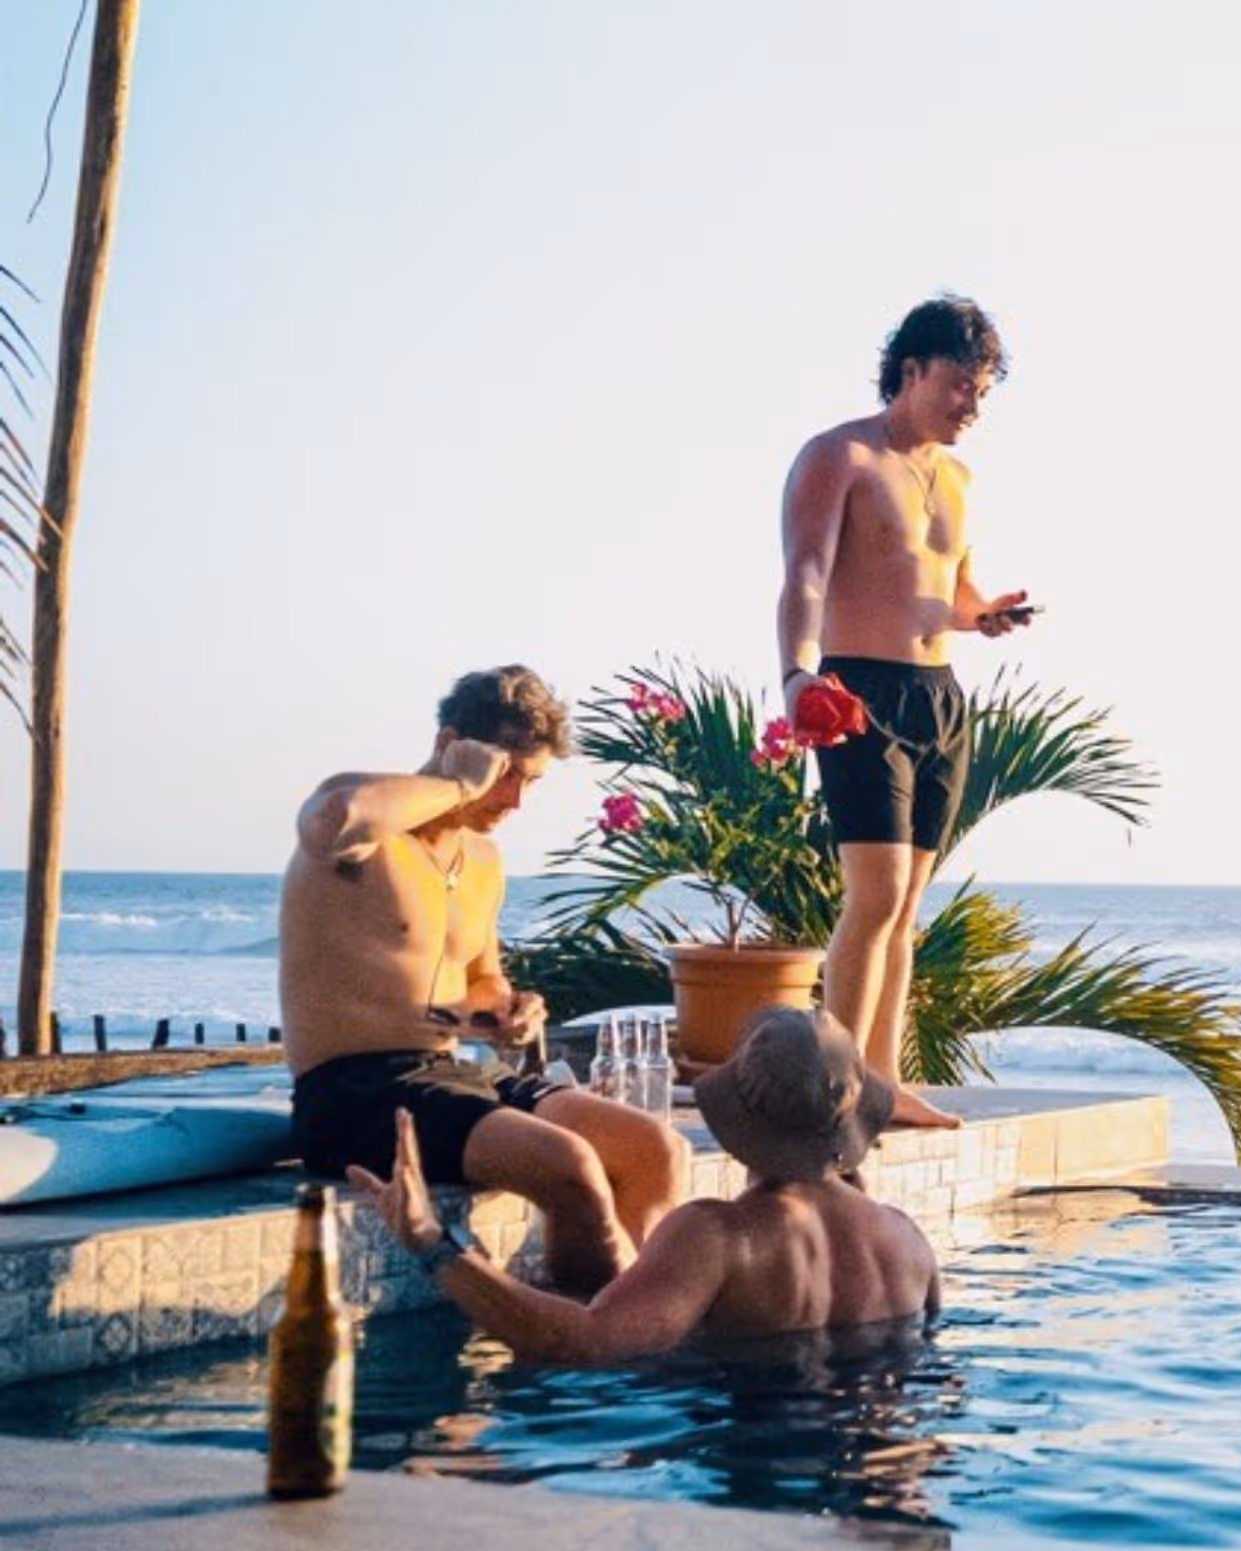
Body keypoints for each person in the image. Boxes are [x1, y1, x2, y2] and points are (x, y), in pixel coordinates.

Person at [280, 666, 689, 1292]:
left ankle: (629, 1338)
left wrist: (511, 1009)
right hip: (352, 1091)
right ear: (453, 743)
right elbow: (331, 818)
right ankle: (579, 1356)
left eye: (531, 783)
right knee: (570, 1165)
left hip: (453, 1075)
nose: (516, 802)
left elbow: (480, 984)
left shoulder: (482, 861)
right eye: (507, 777)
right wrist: (456, 782)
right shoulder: (363, 825)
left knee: (655, 1148)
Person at [777, 295, 1035, 1130]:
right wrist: (796, 676)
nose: (972, 405)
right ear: (912, 369)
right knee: (876, 892)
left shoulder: (957, 479)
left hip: (939, 698)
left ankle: (882, 1082)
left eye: (983, 391)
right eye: (961, 385)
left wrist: (982, 612)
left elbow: (948, 589)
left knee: (907, 906)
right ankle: (836, 1085)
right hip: (857, 692)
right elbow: (806, 574)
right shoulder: (837, 455)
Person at [353, 1005, 940, 1359]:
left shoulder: (718, 1236)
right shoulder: (907, 1242)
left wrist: (434, 1243)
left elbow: (579, 1346)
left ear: (737, 1118)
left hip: (752, 1500)